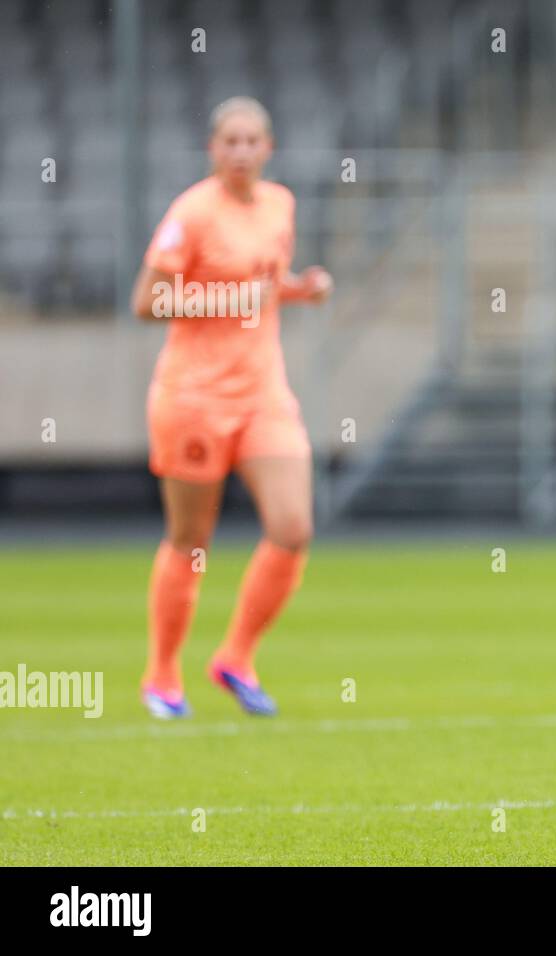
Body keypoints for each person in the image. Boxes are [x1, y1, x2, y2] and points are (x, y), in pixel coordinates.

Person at [130, 96, 333, 719]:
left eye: (252, 142)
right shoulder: (191, 213)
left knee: (293, 527)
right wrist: (233, 296)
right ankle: (163, 674)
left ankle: (236, 657)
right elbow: (147, 302)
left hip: (263, 393)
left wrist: (299, 290)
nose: (241, 152)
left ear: (268, 148)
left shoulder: (280, 205)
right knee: (193, 541)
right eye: (230, 142)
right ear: (212, 150)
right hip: (194, 397)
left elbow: (264, 290)